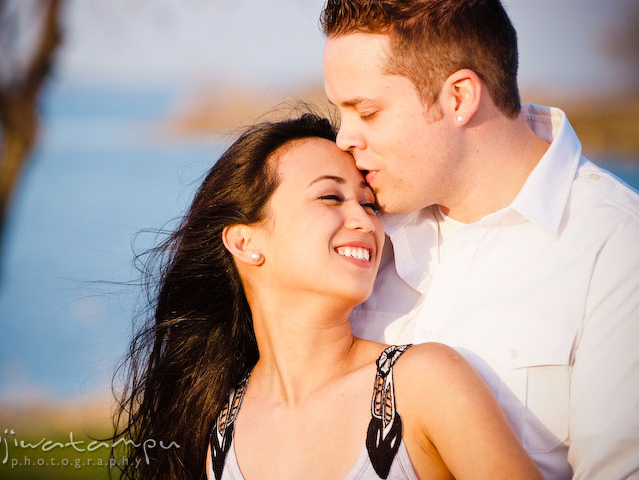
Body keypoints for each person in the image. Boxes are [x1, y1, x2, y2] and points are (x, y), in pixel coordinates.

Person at [112, 113, 543, 480]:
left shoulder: (424, 384)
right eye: (330, 197)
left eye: (370, 204)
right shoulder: (220, 431)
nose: (364, 220)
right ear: (245, 242)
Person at [319, 1, 639, 479]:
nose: (344, 139)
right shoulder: (357, 230)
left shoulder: (615, 247)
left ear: (460, 97)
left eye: (367, 111)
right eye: (340, 112)